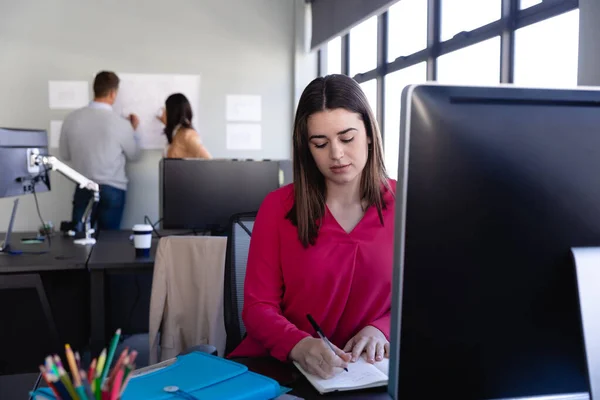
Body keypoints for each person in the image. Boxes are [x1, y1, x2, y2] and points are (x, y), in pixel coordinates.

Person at [228, 74, 396, 380]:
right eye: (320, 143)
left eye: (347, 138)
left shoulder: (407, 204)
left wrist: (382, 328)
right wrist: (298, 344)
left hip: (371, 372)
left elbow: (424, 299)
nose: (336, 154)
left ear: (370, 134)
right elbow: (257, 307)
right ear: (307, 148)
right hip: (282, 369)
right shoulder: (278, 207)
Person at [59, 71, 141, 231]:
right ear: (112, 93)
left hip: (83, 186)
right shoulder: (120, 123)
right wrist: (133, 131)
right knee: (109, 245)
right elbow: (134, 155)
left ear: (94, 89)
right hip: (113, 189)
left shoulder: (72, 118)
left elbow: (64, 154)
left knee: (79, 244)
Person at [158, 93, 211, 159]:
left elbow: (207, 159)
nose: (163, 113)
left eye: (165, 110)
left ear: (172, 112)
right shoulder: (176, 133)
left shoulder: (187, 135)